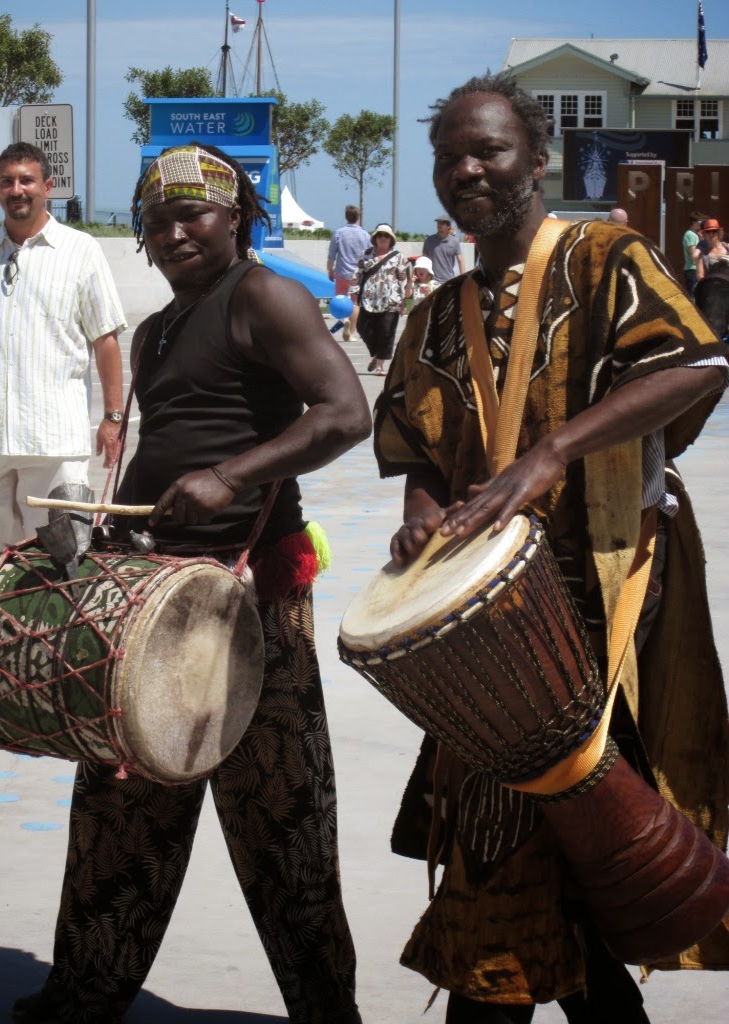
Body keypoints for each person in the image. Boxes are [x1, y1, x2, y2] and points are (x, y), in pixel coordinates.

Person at [373, 73, 729, 1023]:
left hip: (605, 600)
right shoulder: (435, 314)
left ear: (537, 158)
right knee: (553, 879)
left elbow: (697, 365)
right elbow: (414, 445)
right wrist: (421, 508)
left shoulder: (606, 258)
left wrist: (552, 453)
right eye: (450, 155)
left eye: (487, 150)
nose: (467, 169)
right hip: (491, 632)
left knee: (545, 855)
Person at [12, 143, 371, 1024]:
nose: (174, 231)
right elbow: (165, 446)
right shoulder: (159, 326)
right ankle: (84, 994)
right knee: (117, 813)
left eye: (193, 214)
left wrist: (235, 476)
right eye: (157, 219)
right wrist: (101, 538)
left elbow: (345, 413)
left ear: (237, 216)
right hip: (154, 607)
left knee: (283, 829)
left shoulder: (264, 296)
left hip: (250, 606)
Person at [0, 142, 125, 561]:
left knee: (61, 561)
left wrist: (113, 417)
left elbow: (105, 339)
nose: (17, 190)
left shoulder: (80, 250)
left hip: (54, 439)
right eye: (7, 181)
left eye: (26, 180)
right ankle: (0, 628)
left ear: (47, 186)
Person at [351, 223, 412, 376]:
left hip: (391, 300)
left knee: (386, 332)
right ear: (375, 238)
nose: (383, 238)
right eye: (380, 235)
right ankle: (377, 353)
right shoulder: (366, 254)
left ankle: (380, 365)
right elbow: (357, 274)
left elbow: (402, 279)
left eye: (386, 236)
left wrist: (404, 301)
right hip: (368, 300)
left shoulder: (398, 257)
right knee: (362, 327)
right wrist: (353, 292)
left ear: (391, 239)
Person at [327, 204, 371, 341]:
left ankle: (344, 318)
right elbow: (370, 255)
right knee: (354, 303)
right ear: (358, 217)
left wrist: (330, 269)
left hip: (342, 272)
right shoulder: (365, 234)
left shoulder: (339, 233)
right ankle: (351, 333)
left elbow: (332, 254)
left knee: (340, 299)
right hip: (358, 274)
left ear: (346, 217)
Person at [422, 215, 466, 282]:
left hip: (448, 280)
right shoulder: (429, 240)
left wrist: (463, 278)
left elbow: (460, 260)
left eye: (442, 223)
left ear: (448, 227)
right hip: (432, 280)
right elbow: (423, 259)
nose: (439, 225)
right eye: (438, 223)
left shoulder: (454, 241)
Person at [695, 217, 729, 282]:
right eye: (708, 232)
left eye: (714, 231)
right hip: (713, 289)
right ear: (704, 234)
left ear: (719, 233)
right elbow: (700, 276)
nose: (711, 234)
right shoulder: (702, 255)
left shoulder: (727, 248)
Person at [683, 210, 705, 296]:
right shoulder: (690, 235)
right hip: (693, 270)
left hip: (696, 269)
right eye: (700, 221)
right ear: (693, 222)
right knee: (694, 296)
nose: (701, 223)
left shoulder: (695, 235)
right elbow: (693, 255)